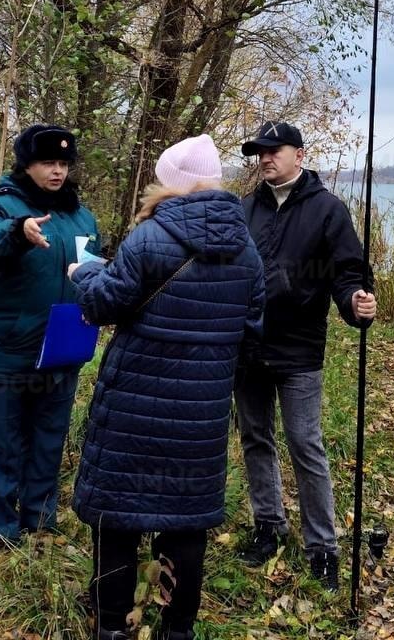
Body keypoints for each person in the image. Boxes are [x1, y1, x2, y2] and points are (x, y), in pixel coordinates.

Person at [68, 134, 265, 640]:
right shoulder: (246, 249)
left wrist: (85, 272)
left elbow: (103, 304)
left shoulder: (149, 237)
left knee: (117, 517)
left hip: (133, 405)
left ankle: (112, 628)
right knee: (186, 523)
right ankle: (176, 630)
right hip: (201, 414)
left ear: (170, 182)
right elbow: (252, 333)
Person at [233, 120, 377, 591]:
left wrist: (355, 302)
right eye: (260, 152)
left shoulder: (327, 210)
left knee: (305, 444)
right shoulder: (245, 208)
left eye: (273, 150)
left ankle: (322, 549)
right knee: (255, 437)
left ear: (298, 154)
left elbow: (348, 271)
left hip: (298, 350)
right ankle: (268, 526)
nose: (265, 158)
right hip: (248, 347)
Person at [0, 123, 101, 546]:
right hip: (2, 348)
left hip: (61, 347)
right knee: (0, 443)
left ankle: (40, 518)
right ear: (26, 165)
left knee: (48, 438)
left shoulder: (80, 215)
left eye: (63, 164)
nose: (57, 171)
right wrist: (17, 231)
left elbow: (91, 266)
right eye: (47, 163)